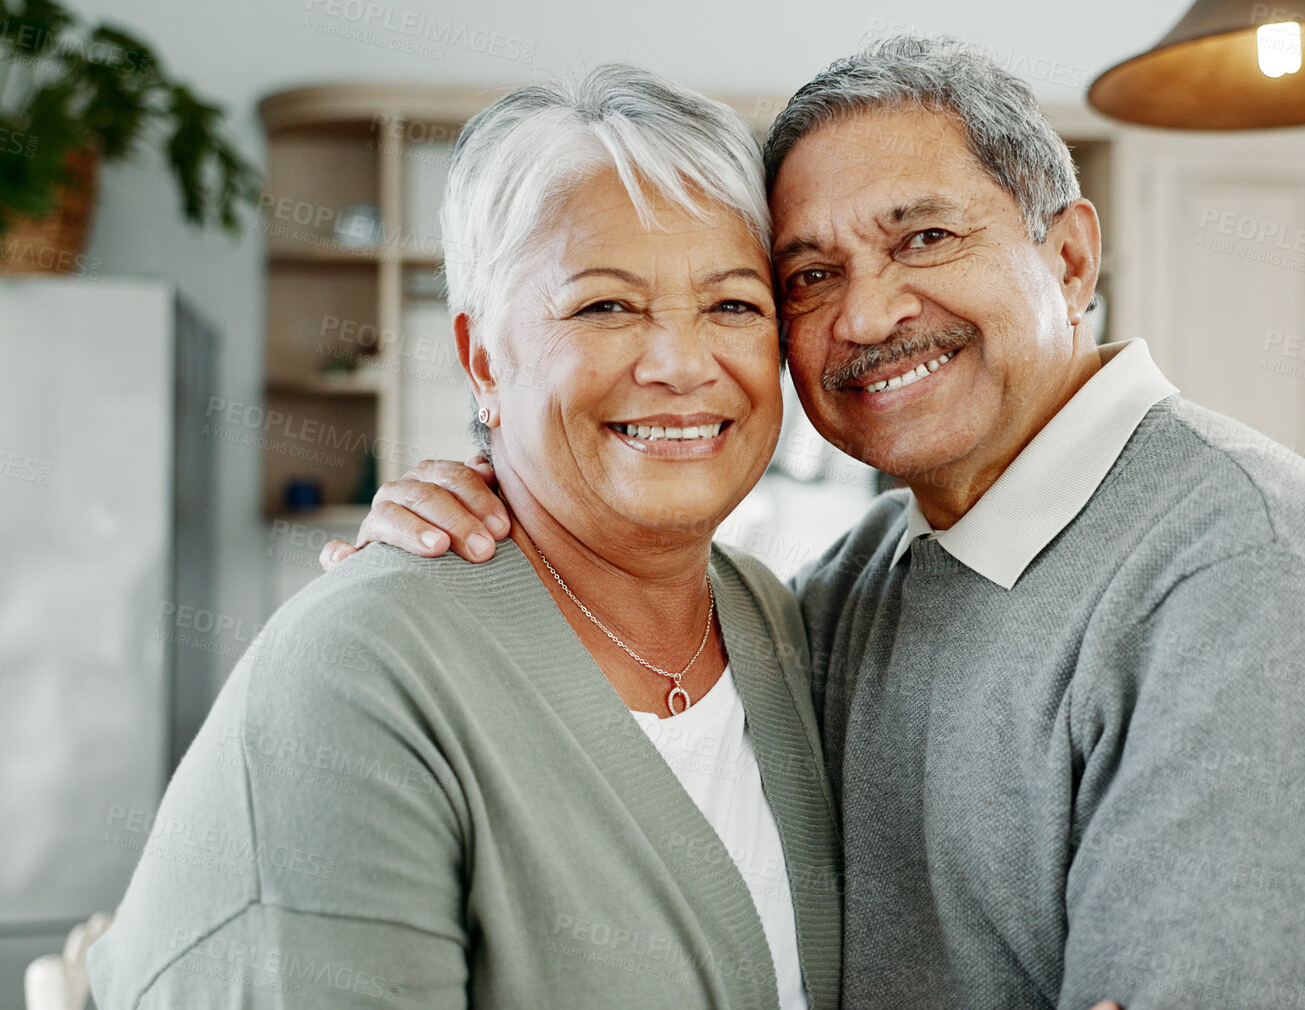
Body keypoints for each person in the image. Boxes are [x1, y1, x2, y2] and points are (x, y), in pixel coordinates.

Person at [331, 36, 1305, 1009]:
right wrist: (486, 516)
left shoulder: (1252, 573)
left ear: (1069, 258)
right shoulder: (860, 576)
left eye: (923, 239)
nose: (867, 313)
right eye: (810, 275)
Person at [89, 66, 842, 1009]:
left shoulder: (784, 624)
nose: (682, 364)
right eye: (604, 305)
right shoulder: (356, 674)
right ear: (483, 359)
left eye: (733, 304)